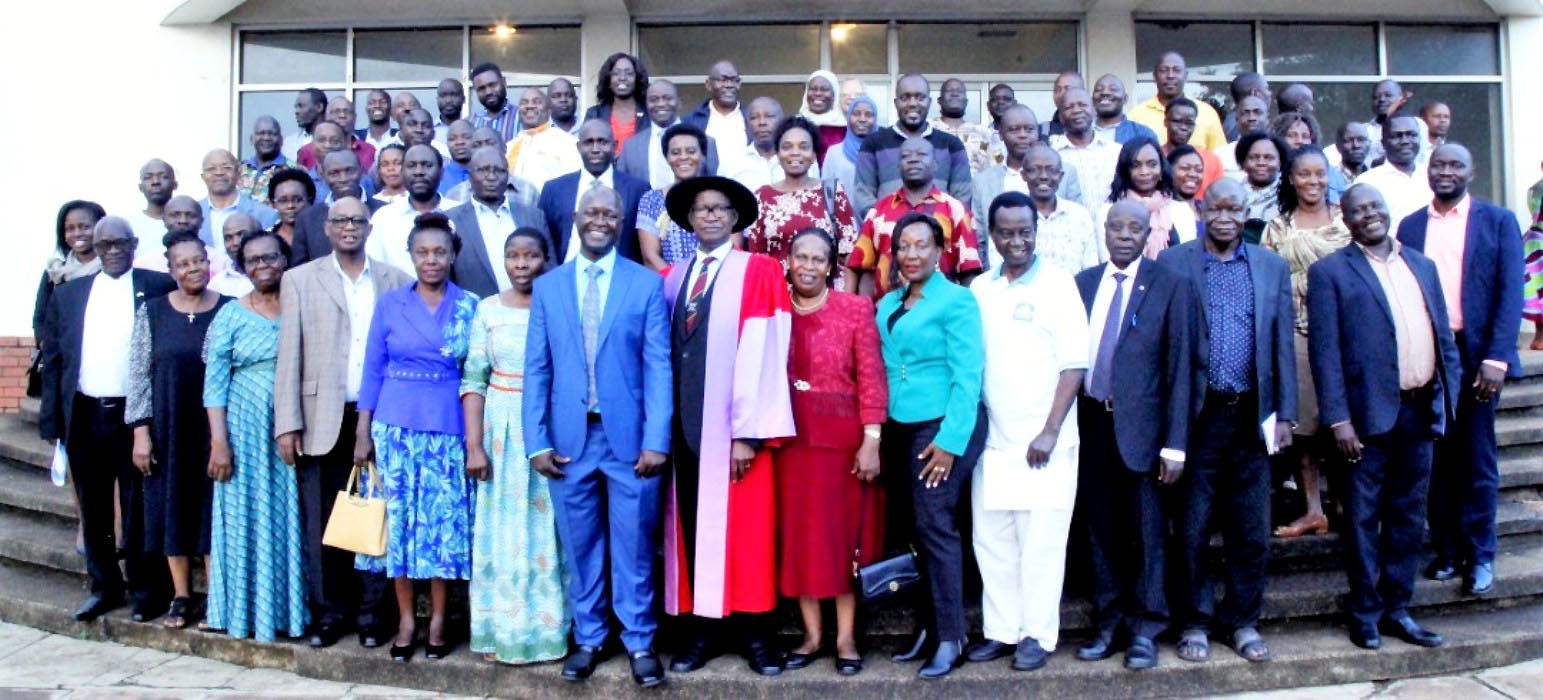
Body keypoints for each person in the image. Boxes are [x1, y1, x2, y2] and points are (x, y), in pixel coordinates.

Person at [523, 186, 674, 686]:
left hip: (630, 443)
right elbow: (537, 369)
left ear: (621, 219)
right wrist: (536, 441)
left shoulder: (645, 285)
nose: (600, 220)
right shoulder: (549, 286)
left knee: (633, 546)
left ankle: (638, 641)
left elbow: (657, 365)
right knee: (581, 546)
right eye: (592, 212)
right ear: (575, 217)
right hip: (569, 441)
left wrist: (657, 438)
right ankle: (589, 637)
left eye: (610, 213)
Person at [1307, 183, 1460, 650]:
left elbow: (1443, 337)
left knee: (1408, 517)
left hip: (1419, 410)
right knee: (1360, 519)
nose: (1368, 214)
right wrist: (1338, 420)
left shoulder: (1422, 265)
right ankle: (1366, 612)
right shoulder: (1330, 272)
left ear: (1387, 210)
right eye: (1358, 210)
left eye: (1375, 206)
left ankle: (1397, 608)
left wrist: (1448, 399)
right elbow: (1325, 352)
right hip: (1364, 419)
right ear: (1346, 219)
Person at [657, 176, 795, 677]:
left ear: (735, 219)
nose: (711, 216)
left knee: (749, 534)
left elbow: (770, 349)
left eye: (720, 209)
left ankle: (758, 635)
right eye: (701, 209)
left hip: (736, 432)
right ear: (688, 221)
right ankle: (702, 631)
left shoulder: (758, 270)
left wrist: (749, 433)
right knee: (692, 531)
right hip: (682, 433)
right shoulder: (672, 278)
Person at [1159, 178, 1296, 665]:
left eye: (1233, 209)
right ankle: (1194, 620)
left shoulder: (1270, 265)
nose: (1223, 216)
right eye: (1214, 207)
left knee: (1252, 529)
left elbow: (1282, 344)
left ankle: (1242, 620)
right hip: (1197, 416)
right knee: (1192, 527)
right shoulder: (1174, 263)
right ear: (1201, 209)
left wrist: (1286, 414)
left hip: (1253, 416)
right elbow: (1165, 348)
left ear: (1245, 214)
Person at [274, 196, 410, 649]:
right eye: (340, 220)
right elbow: (288, 355)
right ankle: (331, 613)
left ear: (370, 228)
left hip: (382, 416)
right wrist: (287, 423)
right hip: (321, 418)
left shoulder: (396, 281)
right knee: (324, 522)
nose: (349, 227)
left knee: (377, 517)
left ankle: (374, 616)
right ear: (327, 229)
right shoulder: (299, 279)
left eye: (357, 220)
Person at [965, 193, 1087, 672]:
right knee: (993, 541)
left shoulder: (1058, 286)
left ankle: (1037, 633)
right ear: (992, 236)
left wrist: (1050, 430)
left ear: (1036, 231)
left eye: (1024, 231)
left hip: (1045, 442)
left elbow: (1074, 363)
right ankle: (1001, 630)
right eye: (1006, 232)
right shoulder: (980, 289)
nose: (1016, 241)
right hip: (994, 441)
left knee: (1040, 544)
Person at [1398, 143, 1524, 597]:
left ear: (1472, 171)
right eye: (1439, 165)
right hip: (1431, 355)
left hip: (1476, 355)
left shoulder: (1498, 221)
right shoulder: (1411, 226)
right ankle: (1448, 551)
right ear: (1428, 172)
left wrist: (1497, 358)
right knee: (1437, 458)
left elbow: (1512, 293)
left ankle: (1481, 555)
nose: (1446, 171)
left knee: (1477, 459)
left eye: (1456, 164)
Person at [1073, 200, 1193, 670]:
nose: (1124, 235)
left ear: (1150, 235)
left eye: (1134, 228)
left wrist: (1175, 443)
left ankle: (1145, 628)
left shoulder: (1170, 285)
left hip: (1145, 430)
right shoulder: (1083, 284)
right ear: (1104, 231)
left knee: (1146, 533)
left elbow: (1181, 367)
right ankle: (1109, 622)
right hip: (1091, 425)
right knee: (1100, 531)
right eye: (1116, 227)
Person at [354, 213, 480, 661]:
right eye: (423, 252)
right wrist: (362, 432)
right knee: (401, 526)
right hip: (395, 426)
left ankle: (439, 619)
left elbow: (475, 373)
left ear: (453, 256)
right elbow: (372, 368)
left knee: (441, 528)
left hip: (448, 425)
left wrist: (474, 438)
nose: (431, 260)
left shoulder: (470, 306)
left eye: (440, 252)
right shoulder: (390, 304)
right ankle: (407, 619)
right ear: (411, 255)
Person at [40, 216, 176, 623]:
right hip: (83, 414)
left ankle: (146, 591)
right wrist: (52, 422)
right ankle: (104, 587)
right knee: (95, 509)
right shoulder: (69, 294)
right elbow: (55, 361)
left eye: (121, 242)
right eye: (105, 244)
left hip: (135, 420)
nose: (113, 250)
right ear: (93, 248)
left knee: (138, 509)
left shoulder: (156, 286)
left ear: (134, 244)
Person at [875, 212, 985, 680]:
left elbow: (968, 377)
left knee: (936, 525)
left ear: (941, 251)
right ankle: (927, 626)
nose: (912, 254)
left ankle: (952, 636)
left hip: (941, 426)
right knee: (914, 529)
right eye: (904, 246)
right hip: (900, 425)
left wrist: (949, 443)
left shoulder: (958, 301)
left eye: (922, 245)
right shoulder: (887, 303)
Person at [772, 228, 885, 676]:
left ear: (831, 266)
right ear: (789, 260)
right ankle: (812, 636)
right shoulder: (773, 311)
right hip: (790, 446)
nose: (808, 266)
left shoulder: (855, 309)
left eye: (818, 259)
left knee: (842, 545)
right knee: (801, 543)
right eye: (801, 257)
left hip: (845, 449)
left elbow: (873, 379)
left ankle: (845, 639)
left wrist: (872, 440)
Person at [459, 228, 569, 666]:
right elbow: (473, 379)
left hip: (549, 425)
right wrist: (474, 445)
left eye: (531, 256)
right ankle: (501, 629)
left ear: (546, 259)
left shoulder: (558, 304)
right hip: (501, 427)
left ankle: (551, 630)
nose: (522, 265)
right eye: (513, 257)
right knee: (504, 532)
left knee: (551, 532)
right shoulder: (487, 309)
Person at [202, 229, 307, 642]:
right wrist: (219, 441)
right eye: (254, 260)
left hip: (293, 422)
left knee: (288, 516)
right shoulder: (230, 314)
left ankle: (289, 614)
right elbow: (214, 384)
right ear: (243, 267)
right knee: (246, 517)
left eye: (271, 257)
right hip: (243, 429)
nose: (263, 266)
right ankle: (246, 614)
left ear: (285, 260)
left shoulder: (300, 306)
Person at [126, 231, 229, 630]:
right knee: (171, 507)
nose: (192, 269)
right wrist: (140, 431)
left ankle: (217, 596)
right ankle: (182, 596)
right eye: (182, 264)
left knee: (211, 508)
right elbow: (138, 373)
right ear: (171, 270)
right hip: (167, 426)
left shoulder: (229, 309)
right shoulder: (152, 312)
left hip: (214, 429)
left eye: (198, 261)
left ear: (209, 263)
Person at [1261, 145, 1352, 540]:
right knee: (1304, 430)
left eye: (1320, 173)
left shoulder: (1350, 222)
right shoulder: (1277, 227)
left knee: (1345, 424)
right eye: (1304, 174)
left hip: (1346, 337)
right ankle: (1313, 509)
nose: (1313, 181)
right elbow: (1267, 283)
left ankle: (1347, 504)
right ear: (1291, 179)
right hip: (1296, 333)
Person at [847, 136, 983, 298]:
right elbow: (865, 269)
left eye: (921, 155)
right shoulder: (878, 212)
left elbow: (969, 272)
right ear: (898, 166)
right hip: (886, 313)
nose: (913, 160)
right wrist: (867, 312)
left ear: (935, 165)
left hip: (939, 313)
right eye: (906, 156)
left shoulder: (956, 210)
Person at [742, 117, 858, 283]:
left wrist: (846, 301)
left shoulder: (832, 191)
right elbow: (757, 260)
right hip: (779, 298)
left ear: (813, 155)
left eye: (803, 147)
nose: (795, 152)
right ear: (778, 154)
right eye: (787, 147)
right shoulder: (762, 197)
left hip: (827, 297)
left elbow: (849, 254)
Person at [853, 73, 973, 216]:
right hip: (887, 233)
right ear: (896, 102)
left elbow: (962, 199)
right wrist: (892, 227)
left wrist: (933, 229)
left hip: (940, 234)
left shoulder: (951, 145)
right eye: (905, 97)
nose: (913, 103)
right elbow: (863, 198)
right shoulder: (873, 143)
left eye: (920, 97)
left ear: (929, 102)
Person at [971, 105, 1085, 252]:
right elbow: (979, 237)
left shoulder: (1066, 172)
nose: (1023, 135)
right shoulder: (983, 181)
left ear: (1037, 132)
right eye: (1014, 129)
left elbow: (1078, 227)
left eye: (1029, 129)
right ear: (1000, 134)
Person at [536, 119, 650, 263]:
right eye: (589, 142)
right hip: (565, 276)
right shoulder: (554, 190)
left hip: (621, 279)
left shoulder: (638, 190)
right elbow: (544, 242)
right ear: (578, 147)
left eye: (602, 142)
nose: (595, 149)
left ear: (615, 146)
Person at [448, 147, 547, 298]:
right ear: (470, 176)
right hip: (474, 314)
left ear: (508, 175)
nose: (491, 177)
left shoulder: (533, 216)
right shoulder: (451, 221)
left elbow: (550, 268)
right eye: (483, 170)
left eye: (499, 171)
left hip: (530, 311)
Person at [1094, 135, 1197, 259]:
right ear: (1125, 170)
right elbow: (1107, 260)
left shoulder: (1181, 211)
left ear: (1161, 169)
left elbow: (1187, 261)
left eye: (1152, 165)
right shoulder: (1108, 211)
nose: (1144, 172)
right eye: (1135, 165)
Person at [367, 144, 460, 276]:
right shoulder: (383, 218)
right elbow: (375, 272)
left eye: (427, 165)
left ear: (441, 172)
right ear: (403, 172)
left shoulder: (460, 213)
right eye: (411, 166)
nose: (419, 172)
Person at [618, 79, 721, 190]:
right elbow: (622, 188)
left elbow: (713, 185)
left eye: (667, 98)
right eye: (654, 99)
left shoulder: (707, 142)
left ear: (679, 102)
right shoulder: (630, 147)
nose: (661, 104)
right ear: (646, 105)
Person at [290, 149, 386, 266]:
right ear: (323, 176)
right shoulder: (307, 218)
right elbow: (299, 270)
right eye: (334, 173)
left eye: (349, 171)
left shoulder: (384, 211)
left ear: (361, 171)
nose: (343, 178)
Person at [636, 123, 712, 271]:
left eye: (691, 151)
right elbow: (650, 257)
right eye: (675, 152)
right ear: (667, 157)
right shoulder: (652, 200)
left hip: (716, 287)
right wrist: (678, 284)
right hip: (670, 287)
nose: (683, 157)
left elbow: (733, 249)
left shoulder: (724, 197)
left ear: (702, 155)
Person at [34, 201, 106, 346]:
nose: (77, 233)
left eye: (85, 227)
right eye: (70, 229)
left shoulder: (111, 271)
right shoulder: (55, 273)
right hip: (62, 357)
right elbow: (40, 319)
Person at [1129, 52, 1226, 153]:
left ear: (1186, 76)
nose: (1170, 75)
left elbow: (1220, 156)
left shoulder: (1207, 113)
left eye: (1177, 70)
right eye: (1163, 70)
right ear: (1154, 76)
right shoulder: (1135, 115)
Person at [1049, 87, 1122, 214]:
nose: (1077, 110)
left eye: (1082, 105)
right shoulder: (1052, 154)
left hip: (1111, 229)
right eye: (1068, 107)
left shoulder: (1116, 152)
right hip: (1069, 230)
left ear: (1094, 110)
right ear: (1060, 117)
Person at [198, 149, 278, 259]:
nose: (219, 172)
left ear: (239, 173)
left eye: (226, 168)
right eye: (211, 169)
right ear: (203, 177)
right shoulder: (193, 215)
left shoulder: (265, 215)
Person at [1353, 115, 1432, 226]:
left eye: (1412, 135)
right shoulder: (1367, 182)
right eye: (1397, 136)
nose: (1405, 141)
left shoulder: (1433, 176)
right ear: (1383, 143)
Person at [505, 87, 581, 192]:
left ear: (549, 110)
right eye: (524, 102)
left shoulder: (566, 142)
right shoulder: (509, 147)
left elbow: (573, 184)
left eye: (537, 102)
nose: (530, 106)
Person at [822, 95, 878, 220]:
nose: (862, 119)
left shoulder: (881, 153)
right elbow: (826, 193)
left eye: (868, 115)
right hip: (843, 224)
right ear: (848, 118)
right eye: (856, 114)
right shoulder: (834, 153)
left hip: (877, 222)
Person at [582, 52, 649, 154]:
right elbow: (587, 149)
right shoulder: (594, 114)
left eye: (629, 73)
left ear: (637, 80)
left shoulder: (649, 114)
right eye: (616, 73)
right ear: (608, 81)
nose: (622, 78)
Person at [1273, 112, 1347, 203]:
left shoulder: (1329, 171)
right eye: (1291, 135)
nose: (1299, 141)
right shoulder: (1271, 170)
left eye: (1305, 136)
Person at [932, 77, 1001, 174]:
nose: (955, 94)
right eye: (949, 91)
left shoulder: (984, 133)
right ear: (940, 100)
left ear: (966, 101)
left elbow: (998, 165)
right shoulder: (928, 130)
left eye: (959, 91)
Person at [683, 60, 750, 156]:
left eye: (734, 80)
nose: (729, 85)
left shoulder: (751, 119)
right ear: (708, 84)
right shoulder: (691, 121)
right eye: (723, 80)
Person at [128, 160, 179, 271]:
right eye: (148, 177)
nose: (155, 182)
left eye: (163, 176)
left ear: (175, 185)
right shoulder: (129, 225)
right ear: (140, 187)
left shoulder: (186, 222)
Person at [1163, 97, 1222, 194]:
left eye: (1189, 123)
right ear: (1165, 122)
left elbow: (1218, 196)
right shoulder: (1155, 158)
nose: (1183, 127)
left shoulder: (1211, 160)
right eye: (1177, 121)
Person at [1236, 132, 1289, 233]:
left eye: (1269, 158)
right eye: (1254, 157)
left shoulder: (1290, 196)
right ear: (1243, 161)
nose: (1261, 163)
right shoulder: (1232, 194)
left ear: (1280, 162)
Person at [1090, 75, 1159, 146]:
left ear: (1125, 99)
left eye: (1113, 89)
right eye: (1098, 89)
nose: (1105, 92)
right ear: (1092, 99)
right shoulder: (1080, 130)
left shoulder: (1143, 134)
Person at [798, 70, 847, 166]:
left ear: (834, 95)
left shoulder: (845, 128)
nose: (818, 93)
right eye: (813, 89)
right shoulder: (795, 124)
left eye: (824, 89)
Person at [1217, 95, 1270, 183]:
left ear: (1267, 118)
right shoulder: (1221, 156)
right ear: (1237, 119)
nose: (1252, 118)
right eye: (1245, 113)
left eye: (1257, 112)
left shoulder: (1279, 153)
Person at [241, 116, 288, 205]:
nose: (266, 138)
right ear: (251, 139)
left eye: (272, 134)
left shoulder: (293, 170)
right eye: (261, 133)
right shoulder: (239, 170)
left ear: (281, 140)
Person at [210, 214, 259, 298]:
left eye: (241, 234)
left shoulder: (277, 274)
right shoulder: (217, 285)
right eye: (228, 238)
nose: (235, 243)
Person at [267, 168, 315, 254]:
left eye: (297, 200)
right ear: (273, 204)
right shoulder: (266, 238)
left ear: (310, 201)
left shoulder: (325, 235)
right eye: (283, 201)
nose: (291, 206)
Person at [471, 62, 519, 142]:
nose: (488, 92)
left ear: (504, 82)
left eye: (492, 85)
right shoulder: (471, 122)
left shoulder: (522, 117)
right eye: (481, 88)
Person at [1221, 72, 1271, 142]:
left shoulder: (1231, 121)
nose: (1269, 93)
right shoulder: (1238, 127)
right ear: (1254, 92)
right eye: (1267, 88)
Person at [284, 88, 327, 162]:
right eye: (296, 107)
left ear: (319, 107)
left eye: (301, 106)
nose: (296, 111)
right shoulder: (289, 143)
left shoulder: (334, 141)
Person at [1169, 145, 1208, 222]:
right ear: (1168, 170)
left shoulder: (1206, 208)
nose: (1192, 174)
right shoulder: (1160, 210)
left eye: (1198, 170)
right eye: (1185, 168)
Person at [439, 120, 476, 196]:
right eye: (452, 139)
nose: (459, 142)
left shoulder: (486, 174)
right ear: (447, 144)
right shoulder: (439, 177)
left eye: (466, 137)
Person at [1418, 102, 1451, 167]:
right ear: (1422, 120)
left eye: (1446, 117)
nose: (1443, 120)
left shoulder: (1449, 150)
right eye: (1437, 116)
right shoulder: (1413, 148)